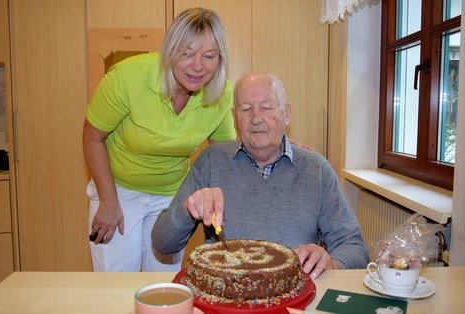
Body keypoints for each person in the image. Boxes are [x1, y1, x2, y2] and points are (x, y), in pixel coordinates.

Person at [152, 71, 370, 279]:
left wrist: (331, 263)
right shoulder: (211, 162)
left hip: (294, 296)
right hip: (224, 295)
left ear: (287, 113)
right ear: (234, 117)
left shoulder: (316, 169)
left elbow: (355, 248)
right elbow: (163, 243)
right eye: (245, 109)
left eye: (266, 107)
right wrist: (187, 208)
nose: (256, 118)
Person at [82, 8, 236, 272]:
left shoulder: (220, 93)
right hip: (117, 189)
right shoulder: (127, 78)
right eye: (187, 53)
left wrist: (274, 147)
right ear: (170, 51)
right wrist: (108, 202)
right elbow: (92, 137)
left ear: (220, 59)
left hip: (171, 195)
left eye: (209, 56)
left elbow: (225, 154)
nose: (198, 66)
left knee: (164, 289)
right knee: (114, 283)